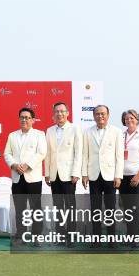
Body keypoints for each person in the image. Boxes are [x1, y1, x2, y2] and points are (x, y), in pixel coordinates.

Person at [82, 105, 124, 248]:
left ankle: (112, 239)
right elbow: (84, 155)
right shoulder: (87, 132)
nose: (100, 116)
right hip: (93, 176)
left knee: (110, 209)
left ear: (108, 115)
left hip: (110, 176)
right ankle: (96, 239)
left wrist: (118, 176)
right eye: (97, 114)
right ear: (93, 116)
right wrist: (84, 174)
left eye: (103, 114)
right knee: (95, 209)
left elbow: (119, 156)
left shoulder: (117, 132)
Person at [4, 107, 47, 246]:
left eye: (27, 117)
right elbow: (7, 154)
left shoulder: (40, 134)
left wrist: (27, 165)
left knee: (36, 208)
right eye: (22, 117)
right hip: (17, 177)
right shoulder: (12, 135)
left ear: (33, 120)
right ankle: (21, 236)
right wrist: (15, 165)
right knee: (20, 209)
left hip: (33, 177)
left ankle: (36, 237)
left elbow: (41, 153)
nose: (24, 120)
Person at [44, 102, 82, 247]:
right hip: (54, 175)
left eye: (62, 111)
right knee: (58, 207)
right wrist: (47, 173)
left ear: (67, 113)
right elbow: (47, 154)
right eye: (57, 112)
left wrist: (76, 172)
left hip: (69, 174)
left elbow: (78, 152)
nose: (59, 114)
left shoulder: (75, 129)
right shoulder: (49, 130)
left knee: (70, 206)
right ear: (53, 114)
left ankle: (71, 236)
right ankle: (60, 235)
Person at [118, 109, 139, 248]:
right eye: (126, 118)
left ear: (137, 119)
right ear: (124, 121)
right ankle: (129, 236)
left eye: (132, 118)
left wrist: (138, 175)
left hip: (138, 176)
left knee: (136, 207)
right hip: (123, 177)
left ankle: (136, 237)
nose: (129, 120)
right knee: (126, 208)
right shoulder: (120, 136)